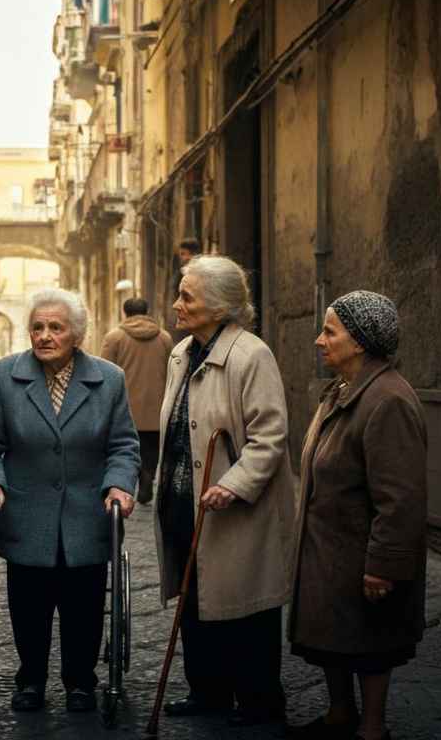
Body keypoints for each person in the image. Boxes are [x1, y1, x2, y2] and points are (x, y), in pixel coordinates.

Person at [0, 288, 140, 714]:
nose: (44, 335)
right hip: (25, 513)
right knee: (29, 606)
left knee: (84, 604)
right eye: (38, 327)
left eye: (56, 328)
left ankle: (81, 681)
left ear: (76, 335)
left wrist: (119, 485)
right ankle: (30, 680)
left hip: (88, 512)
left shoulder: (109, 379)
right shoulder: (5, 376)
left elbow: (123, 445)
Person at [155, 254, 295, 727]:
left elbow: (270, 437)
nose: (177, 304)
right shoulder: (181, 352)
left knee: (245, 607)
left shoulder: (251, 354)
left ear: (218, 306)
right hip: (186, 501)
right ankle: (208, 692)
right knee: (196, 600)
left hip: (232, 507)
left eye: (187, 296)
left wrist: (232, 485)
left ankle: (258, 700)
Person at [288, 291, 427, 740]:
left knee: (371, 643)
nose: (318, 340)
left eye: (330, 331)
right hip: (331, 548)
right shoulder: (342, 391)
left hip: (359, 553)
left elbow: (400, 498)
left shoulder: (387, 401)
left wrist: (383, 566)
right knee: (334, 637)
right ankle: (339, 714)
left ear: (361, 341)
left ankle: (372, 727)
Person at [100, 297, 173, 504]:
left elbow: (104, 372)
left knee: (126, 446)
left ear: (125, 312)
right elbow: (173, 369)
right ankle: (147, 476)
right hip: (157, 406)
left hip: (125, 407)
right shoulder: (164, 338)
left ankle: (134, 479)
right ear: (147, 311)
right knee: (151, 448)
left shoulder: (115, 337)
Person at [169, 238, 202, 344]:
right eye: (181, 254)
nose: (182, 258)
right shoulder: (182, 271)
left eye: (184, 254)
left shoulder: (196, 272)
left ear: (193, 254)